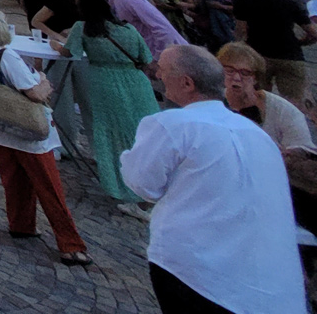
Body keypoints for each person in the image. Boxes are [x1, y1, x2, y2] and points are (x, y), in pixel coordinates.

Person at [121, 45, 305, 314]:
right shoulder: (258, 136)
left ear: (186, 83)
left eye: (162, 70)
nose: (158, 75)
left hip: (199, 276)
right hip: (274, 288)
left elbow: (143, 184)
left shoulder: (172, 124)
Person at [0, 9, 90, 267]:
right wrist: (45, 80)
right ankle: (69, 244)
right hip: (28, 132)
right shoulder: (7, 56)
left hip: (1, 127)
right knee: (50, 187)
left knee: (14, 181)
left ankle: (21, 224)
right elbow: (34, 93)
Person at [61, 0, 158, 217]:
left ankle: (126, 189)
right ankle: (153, 188)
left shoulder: (82, 28)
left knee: (114, 134)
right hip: (136, 81)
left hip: (105, 81)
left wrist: (57, 44)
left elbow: (69, 52)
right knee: (144, 133)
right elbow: (145, 57)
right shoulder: (128, 29)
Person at [232, 0, 317, 100]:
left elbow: (241, 31)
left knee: (260, 98)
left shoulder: (241, 1)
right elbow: (313, 32)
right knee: (294, 101)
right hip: (290, 54)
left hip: (258, 55)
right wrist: (301, 42)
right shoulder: (288, 3)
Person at [74, 0, 185, 62]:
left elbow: (162, 28)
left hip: (168, 58)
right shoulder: (104, 3)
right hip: (148, 58)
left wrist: (157, 58)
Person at [217, 42, 314, 150]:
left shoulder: (282, 110)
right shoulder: (212, 102)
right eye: (229, 71)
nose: (236, 78)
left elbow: (304, 151)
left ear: (256, 78)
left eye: (245, 73)